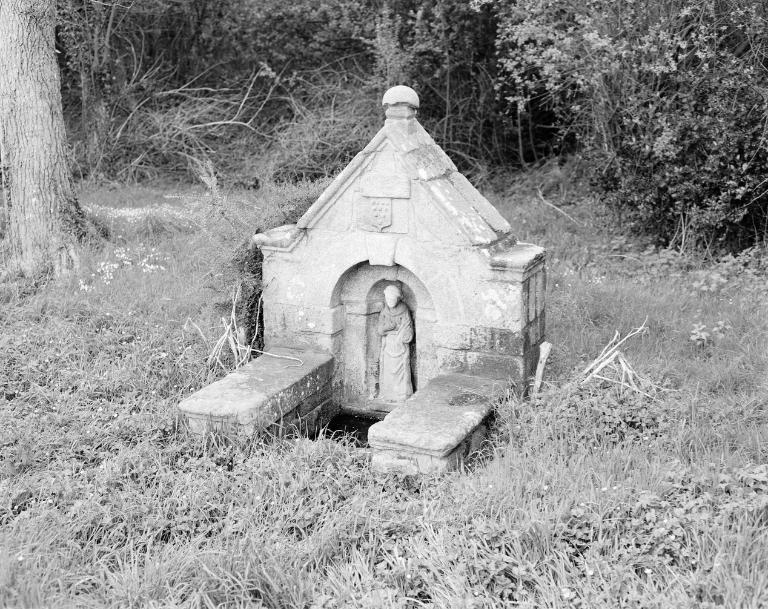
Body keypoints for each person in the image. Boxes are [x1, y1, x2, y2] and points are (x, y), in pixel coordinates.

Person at [375, 284, 414, 402]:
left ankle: (402, 395)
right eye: (387, 299)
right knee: (388, 370)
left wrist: (402, 336)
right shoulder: (384, 311)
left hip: (400, 346)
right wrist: (389, 327)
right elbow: (380, 330)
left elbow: (408, 329)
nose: (389, 301)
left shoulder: (404, 310)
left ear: (398, 299)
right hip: (388, 346)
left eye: (392, 299)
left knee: (401, 371)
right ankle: (388, 394)